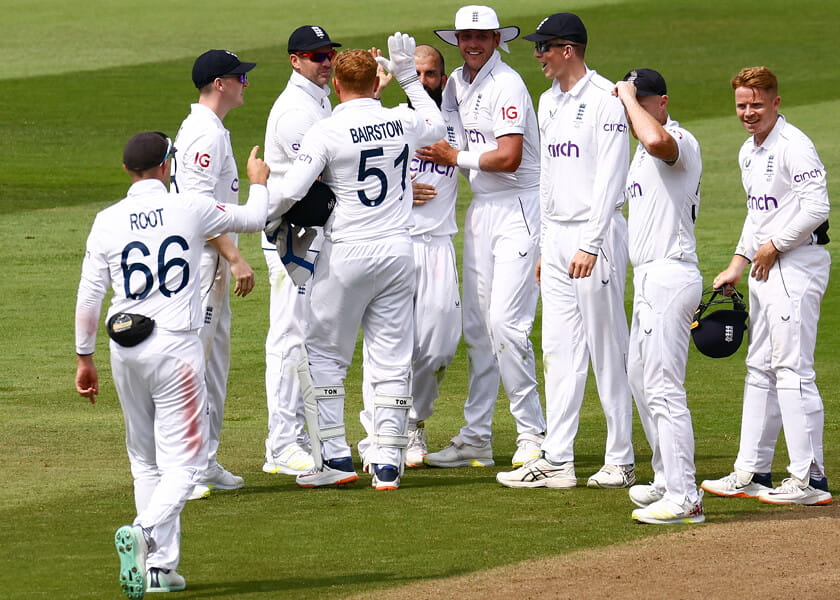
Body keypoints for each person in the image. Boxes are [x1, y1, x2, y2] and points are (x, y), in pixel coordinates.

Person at [74, 132, 269, 598]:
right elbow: (256, 217)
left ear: (127, 171)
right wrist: (257, 181)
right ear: (166, 167)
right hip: (175, 350)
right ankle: (144, 531)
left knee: (145, 462)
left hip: (124, 347)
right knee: (187, 462)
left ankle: (160, 568)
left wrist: (84, 358)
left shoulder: (106, 221)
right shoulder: (189, 206)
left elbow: (89, 296)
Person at [269, 35, 445, 490]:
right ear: (374, 82)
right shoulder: (400, 121)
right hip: (397, 251)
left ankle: (334, 459)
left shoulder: (326, 130)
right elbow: (435, 123)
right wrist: (408, 74)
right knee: (390, 358)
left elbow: (292, 190)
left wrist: (259, 212)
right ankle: (388, 460)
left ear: (340, 87)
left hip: (346, 252)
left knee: (325, 357)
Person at [496, 13, 634, 490]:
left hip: (594, 237)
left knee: (606, 346)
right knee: (557, 349)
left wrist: (590, 244)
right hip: (554, 239)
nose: (538, 56)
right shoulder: (548, 100)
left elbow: (612, 177)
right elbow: (547, 177)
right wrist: (542, 246)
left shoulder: (606, 100)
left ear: (568, 49)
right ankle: (558, 460)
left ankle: (621, 458)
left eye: (544, 48)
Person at [700, 66, 832, 506]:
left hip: (797, 265)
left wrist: (774, 245)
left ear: (776, 102)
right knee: (760, 367)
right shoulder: (748, 152)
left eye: (757, 104)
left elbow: (817, 207)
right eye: (741, 105)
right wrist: (738, 262)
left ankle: (810, 480)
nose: (748, 113)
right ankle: (752, 471)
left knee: (793, 369)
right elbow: (757, 216)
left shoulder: (795, 146)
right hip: (764, 267)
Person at [421, 4, 546, 469]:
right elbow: (441, 132)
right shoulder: (456, 82)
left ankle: (534, 436)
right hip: (482, 210)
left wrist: (457, 158)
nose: (472, 44)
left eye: (482, 36)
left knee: (506, 326)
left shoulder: (507, 84)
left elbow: (509, 156)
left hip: (519, 207)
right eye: (465, 37)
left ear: (497, 40)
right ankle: (477, 436)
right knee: (476, 329)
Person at [358, 44, 465, 468]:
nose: (424, 82)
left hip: (439, 244)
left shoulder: (454, 123)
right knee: (386, 348)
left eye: (432, 74)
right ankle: (377, 436)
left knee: (439, 346)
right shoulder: (393, 122)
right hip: (396, 244)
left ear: (443, 78)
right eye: (416, 73)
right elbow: (356, 178)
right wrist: (403, 196)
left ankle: (413, 421)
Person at [611, 69, 705, 524]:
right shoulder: (636, 155)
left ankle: (686, 497)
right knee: (640, 382)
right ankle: (667, 478)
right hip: (648, 279)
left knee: (665, 390)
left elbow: (657, 143)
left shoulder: (679, 139)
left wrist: (628, 99)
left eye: (644, 100)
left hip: (671, 274)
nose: (635, 109)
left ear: (662, 102)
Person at [171, 49, 257, 498]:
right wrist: (234, 257)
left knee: (214, 365)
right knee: (196, 366)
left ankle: (204, 461)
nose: (246, 83)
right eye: (240, 77)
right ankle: (188, 469)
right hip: (204, 265)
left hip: (213, 263)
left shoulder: (209, 130)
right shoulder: (204, 135)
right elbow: (196, 211)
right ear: (220, 83)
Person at [261, 25, 342, 476]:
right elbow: (315, 178)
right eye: (315, 56)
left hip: (309, 234)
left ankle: (293, 436)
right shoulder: (295, 110)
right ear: (295, 60)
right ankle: (281, 444)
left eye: (329, 54)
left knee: (303, 337)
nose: (325, 62)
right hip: (289, 239)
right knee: (288, 338)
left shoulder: (317, 98)